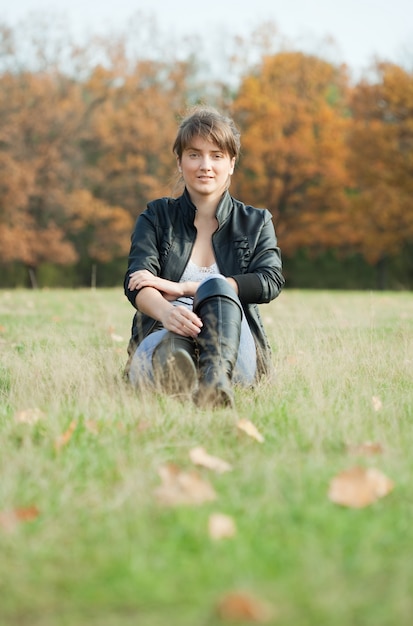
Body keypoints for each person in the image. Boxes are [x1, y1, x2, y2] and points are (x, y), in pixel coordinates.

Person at [124, 106, 284, 408]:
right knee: (167, 350)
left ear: (232, 163)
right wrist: (167, 313)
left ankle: (215, 381)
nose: (205, 165)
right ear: (180, 161)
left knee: (220, 290)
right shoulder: (156, 217)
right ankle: (180, 368)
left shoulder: (256, 222)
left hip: (231, 337)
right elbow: (136, 282)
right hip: (164, 327)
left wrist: (185, 289)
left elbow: (270, 281)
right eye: (194, 154)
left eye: (217, 155)